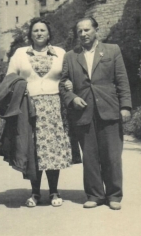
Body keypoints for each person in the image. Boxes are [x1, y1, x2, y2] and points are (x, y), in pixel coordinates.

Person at [59, 17, 132, 210]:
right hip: (83, 111)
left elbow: (122, 80)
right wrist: (72, 98)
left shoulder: (112, 50)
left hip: (109, 108)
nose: (83, 34)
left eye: (87, 30)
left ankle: (114, 195)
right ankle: (94, 194)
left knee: (112, 156)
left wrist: (125, 106)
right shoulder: (70, 56)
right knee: (90, 156)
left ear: (96, 30)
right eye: (80, 31)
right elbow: (63, 85)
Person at [6, 18, 77, 207]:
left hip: (54, 107)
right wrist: (21, 89)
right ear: (30, 34)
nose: (39, 33)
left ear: (49, 34)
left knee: (52, 150)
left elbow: (69, 76)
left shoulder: (60, 53)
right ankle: (35, 193)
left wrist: (70, 83)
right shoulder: (20, 53)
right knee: (33, 149)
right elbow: (10, 79)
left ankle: (54, 192)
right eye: (35, 30)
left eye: (42, 30)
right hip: (28, 107)